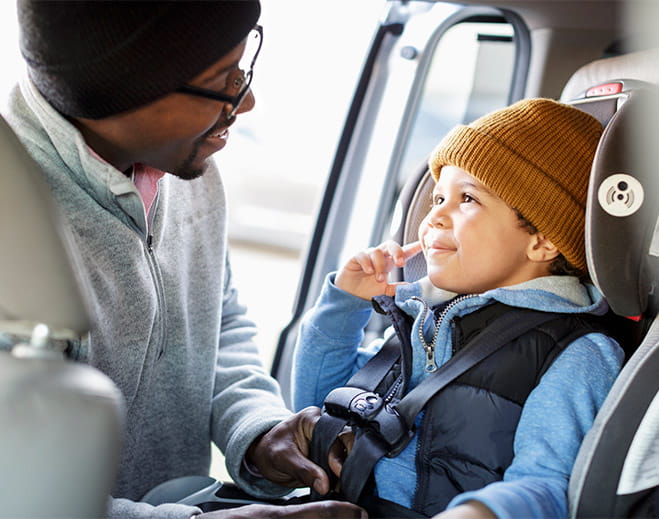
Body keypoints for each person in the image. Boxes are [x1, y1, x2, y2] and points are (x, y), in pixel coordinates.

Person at [4, 1, 365, 518]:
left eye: (245, 67)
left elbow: (218, 322)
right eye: (223, 81)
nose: (247, 100)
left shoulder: (187, 170)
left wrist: (257, 430)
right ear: (124, 89)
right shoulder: (13, 223)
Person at [293, 98, 625, 518]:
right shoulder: (421, 320)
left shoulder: (575, 354)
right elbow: (315, 412)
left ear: (542, 240)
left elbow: (547, 484)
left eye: (467, 199)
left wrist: (481, 512)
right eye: (437, 198)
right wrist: (343, 307)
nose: (435, 218)